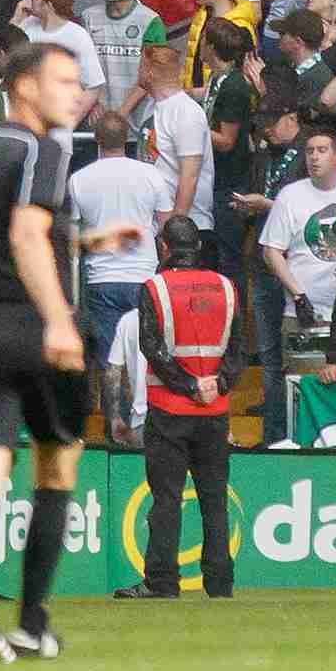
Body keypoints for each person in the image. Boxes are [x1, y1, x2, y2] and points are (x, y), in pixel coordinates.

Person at [0, 33, 95, 663]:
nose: (77, 94)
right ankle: (31, 620)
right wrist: (58, 318)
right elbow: (28, 234)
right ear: (25, 87)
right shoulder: (44, 149)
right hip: (34, 327)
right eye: (64, 81)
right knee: (56, 471)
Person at [130, 221, 240, 601]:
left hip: (169, 410)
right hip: (215, 410)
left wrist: (188, 386)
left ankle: (162, 583)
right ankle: (220, 583)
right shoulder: (226, 288)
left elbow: (152, 348)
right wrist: (217, 385)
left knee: (166, 499)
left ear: (164, 247)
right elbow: (237, 352)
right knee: (214, 499)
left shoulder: (155, 289)